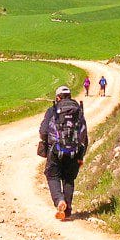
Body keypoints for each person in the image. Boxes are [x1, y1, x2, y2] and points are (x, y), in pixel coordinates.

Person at [39, 85, 88, 221]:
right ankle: (67, 210)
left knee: (52, 176)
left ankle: (59, 200)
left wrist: (47, 144)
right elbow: (84, 134)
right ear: (70, 96)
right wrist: (81, 155)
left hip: (55, 150)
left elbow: (43, 131)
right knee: (68, 178)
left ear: (57, 97)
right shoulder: (78, 110)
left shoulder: (53, 110)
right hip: (75, 151)